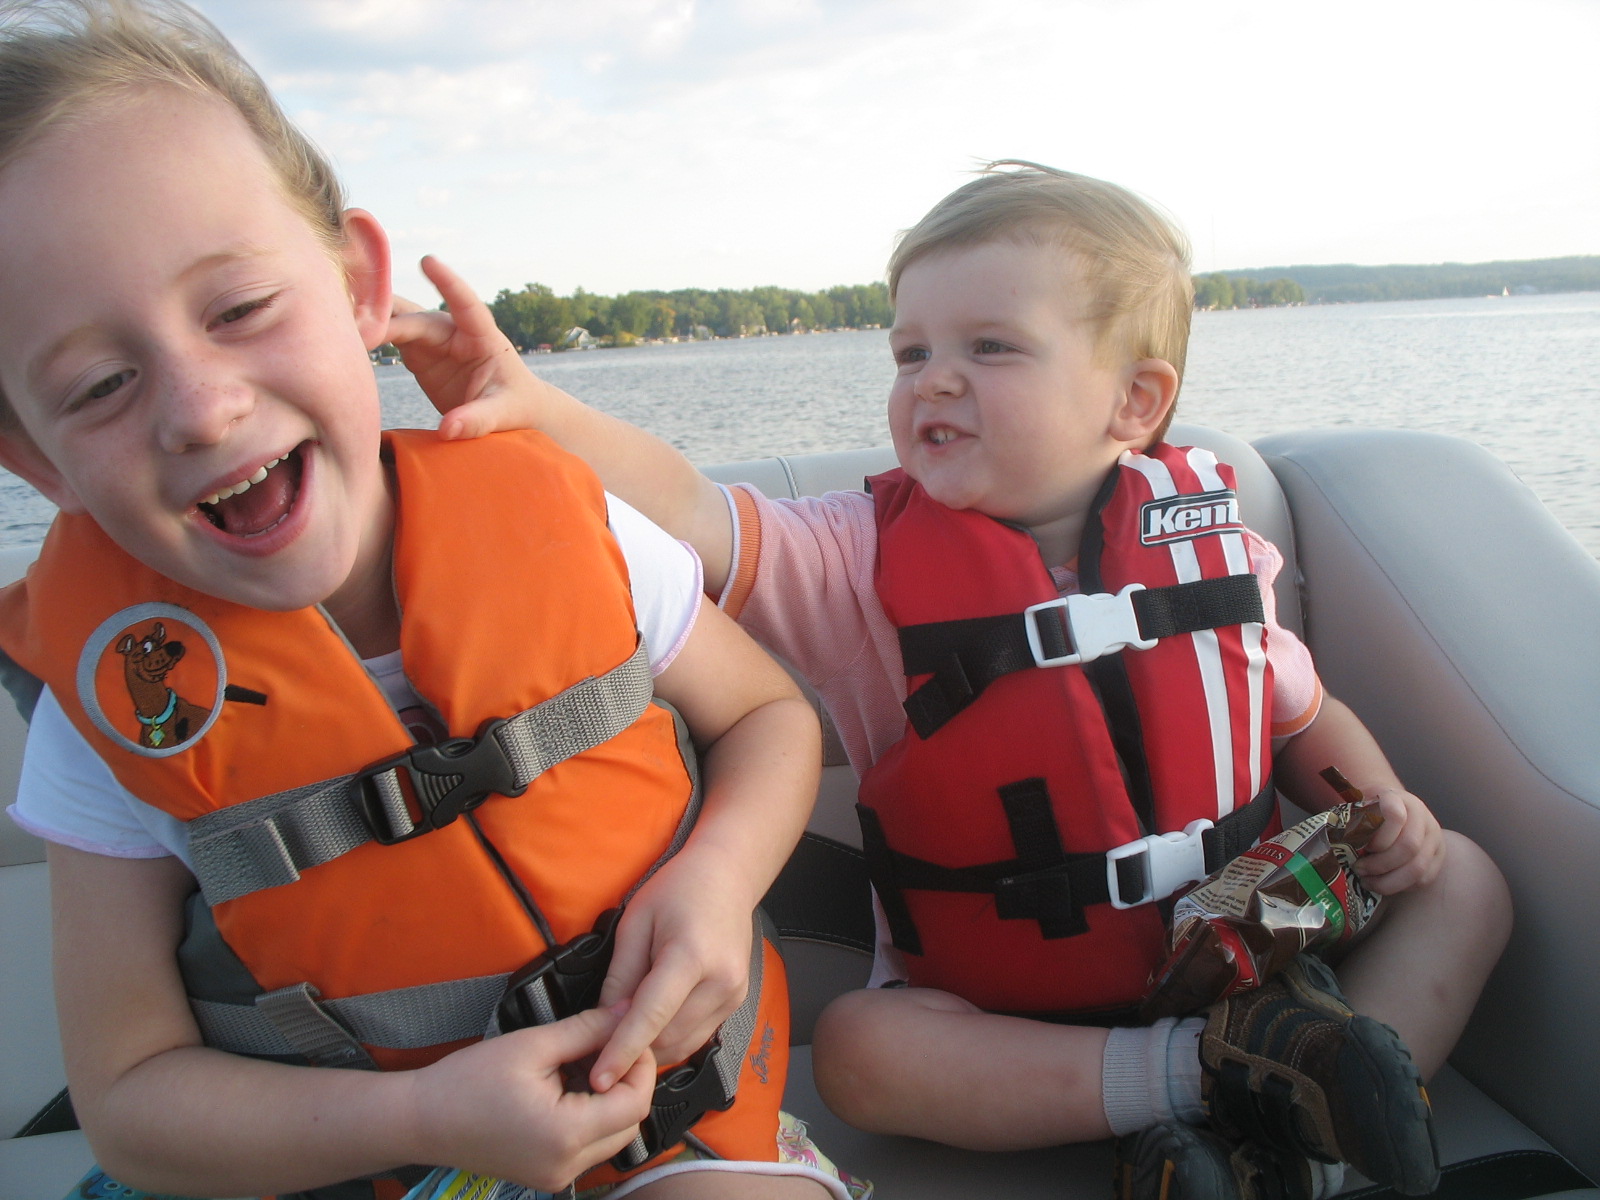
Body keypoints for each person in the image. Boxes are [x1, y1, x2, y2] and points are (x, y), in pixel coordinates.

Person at [407, 161, 1513, 1200]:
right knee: (862, 1053)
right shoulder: (853, 564)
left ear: (1134, 401)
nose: (932, 377)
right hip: (1007, 1018)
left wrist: (1387, 812)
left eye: (989, 347)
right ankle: (1220, 1091)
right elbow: (695, 515)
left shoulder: (1207, 544)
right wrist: (535, 406)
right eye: (907, 353)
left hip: (1251, 951)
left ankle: (1299, 1125)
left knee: (1463, 880)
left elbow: (1299, 709)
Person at [0, 3, 869, 1198]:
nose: (199, 409)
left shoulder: (570, 527)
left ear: (361, 287)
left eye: (241, 309)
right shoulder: (112, 712)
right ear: (36, 459)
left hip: (656, 1134)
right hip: (348, 1165)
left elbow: (772, 718)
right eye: (99, 383)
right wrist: (419, 1113)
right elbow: (132, 1103)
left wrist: (715, 880)